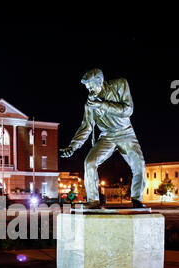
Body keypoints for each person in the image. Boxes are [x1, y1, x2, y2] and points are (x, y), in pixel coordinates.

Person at [60, 68, 146, 209]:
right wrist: (73, 146)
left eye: (91, 85)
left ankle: (137, 198)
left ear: (99, 81)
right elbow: (86, 127)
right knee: (89, 162)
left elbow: (128, 110)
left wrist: (103, 105)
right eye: (87, 87)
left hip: (126, 133)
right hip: (106, 136)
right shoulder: (89, 104)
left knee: (139, 164)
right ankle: (93, 200)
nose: (89, 89)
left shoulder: (119, 84)